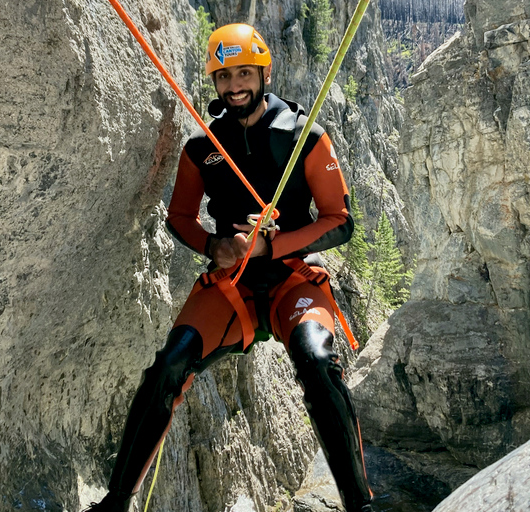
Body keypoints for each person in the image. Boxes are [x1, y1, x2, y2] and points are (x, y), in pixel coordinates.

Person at [86, 23, 373, 512]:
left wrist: (273, 248)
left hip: (290, 279)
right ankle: (115, 504)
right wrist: (215, 244)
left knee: (317, 363)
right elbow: (179, 216)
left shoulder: (304, 137)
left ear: (263, 72)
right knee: (169, 365)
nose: (234, 85)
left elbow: (340, 222)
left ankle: (360, 505)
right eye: (224, 76)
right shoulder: (203, 146)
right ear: (214, 82)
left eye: (244, 73)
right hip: (232, 285)